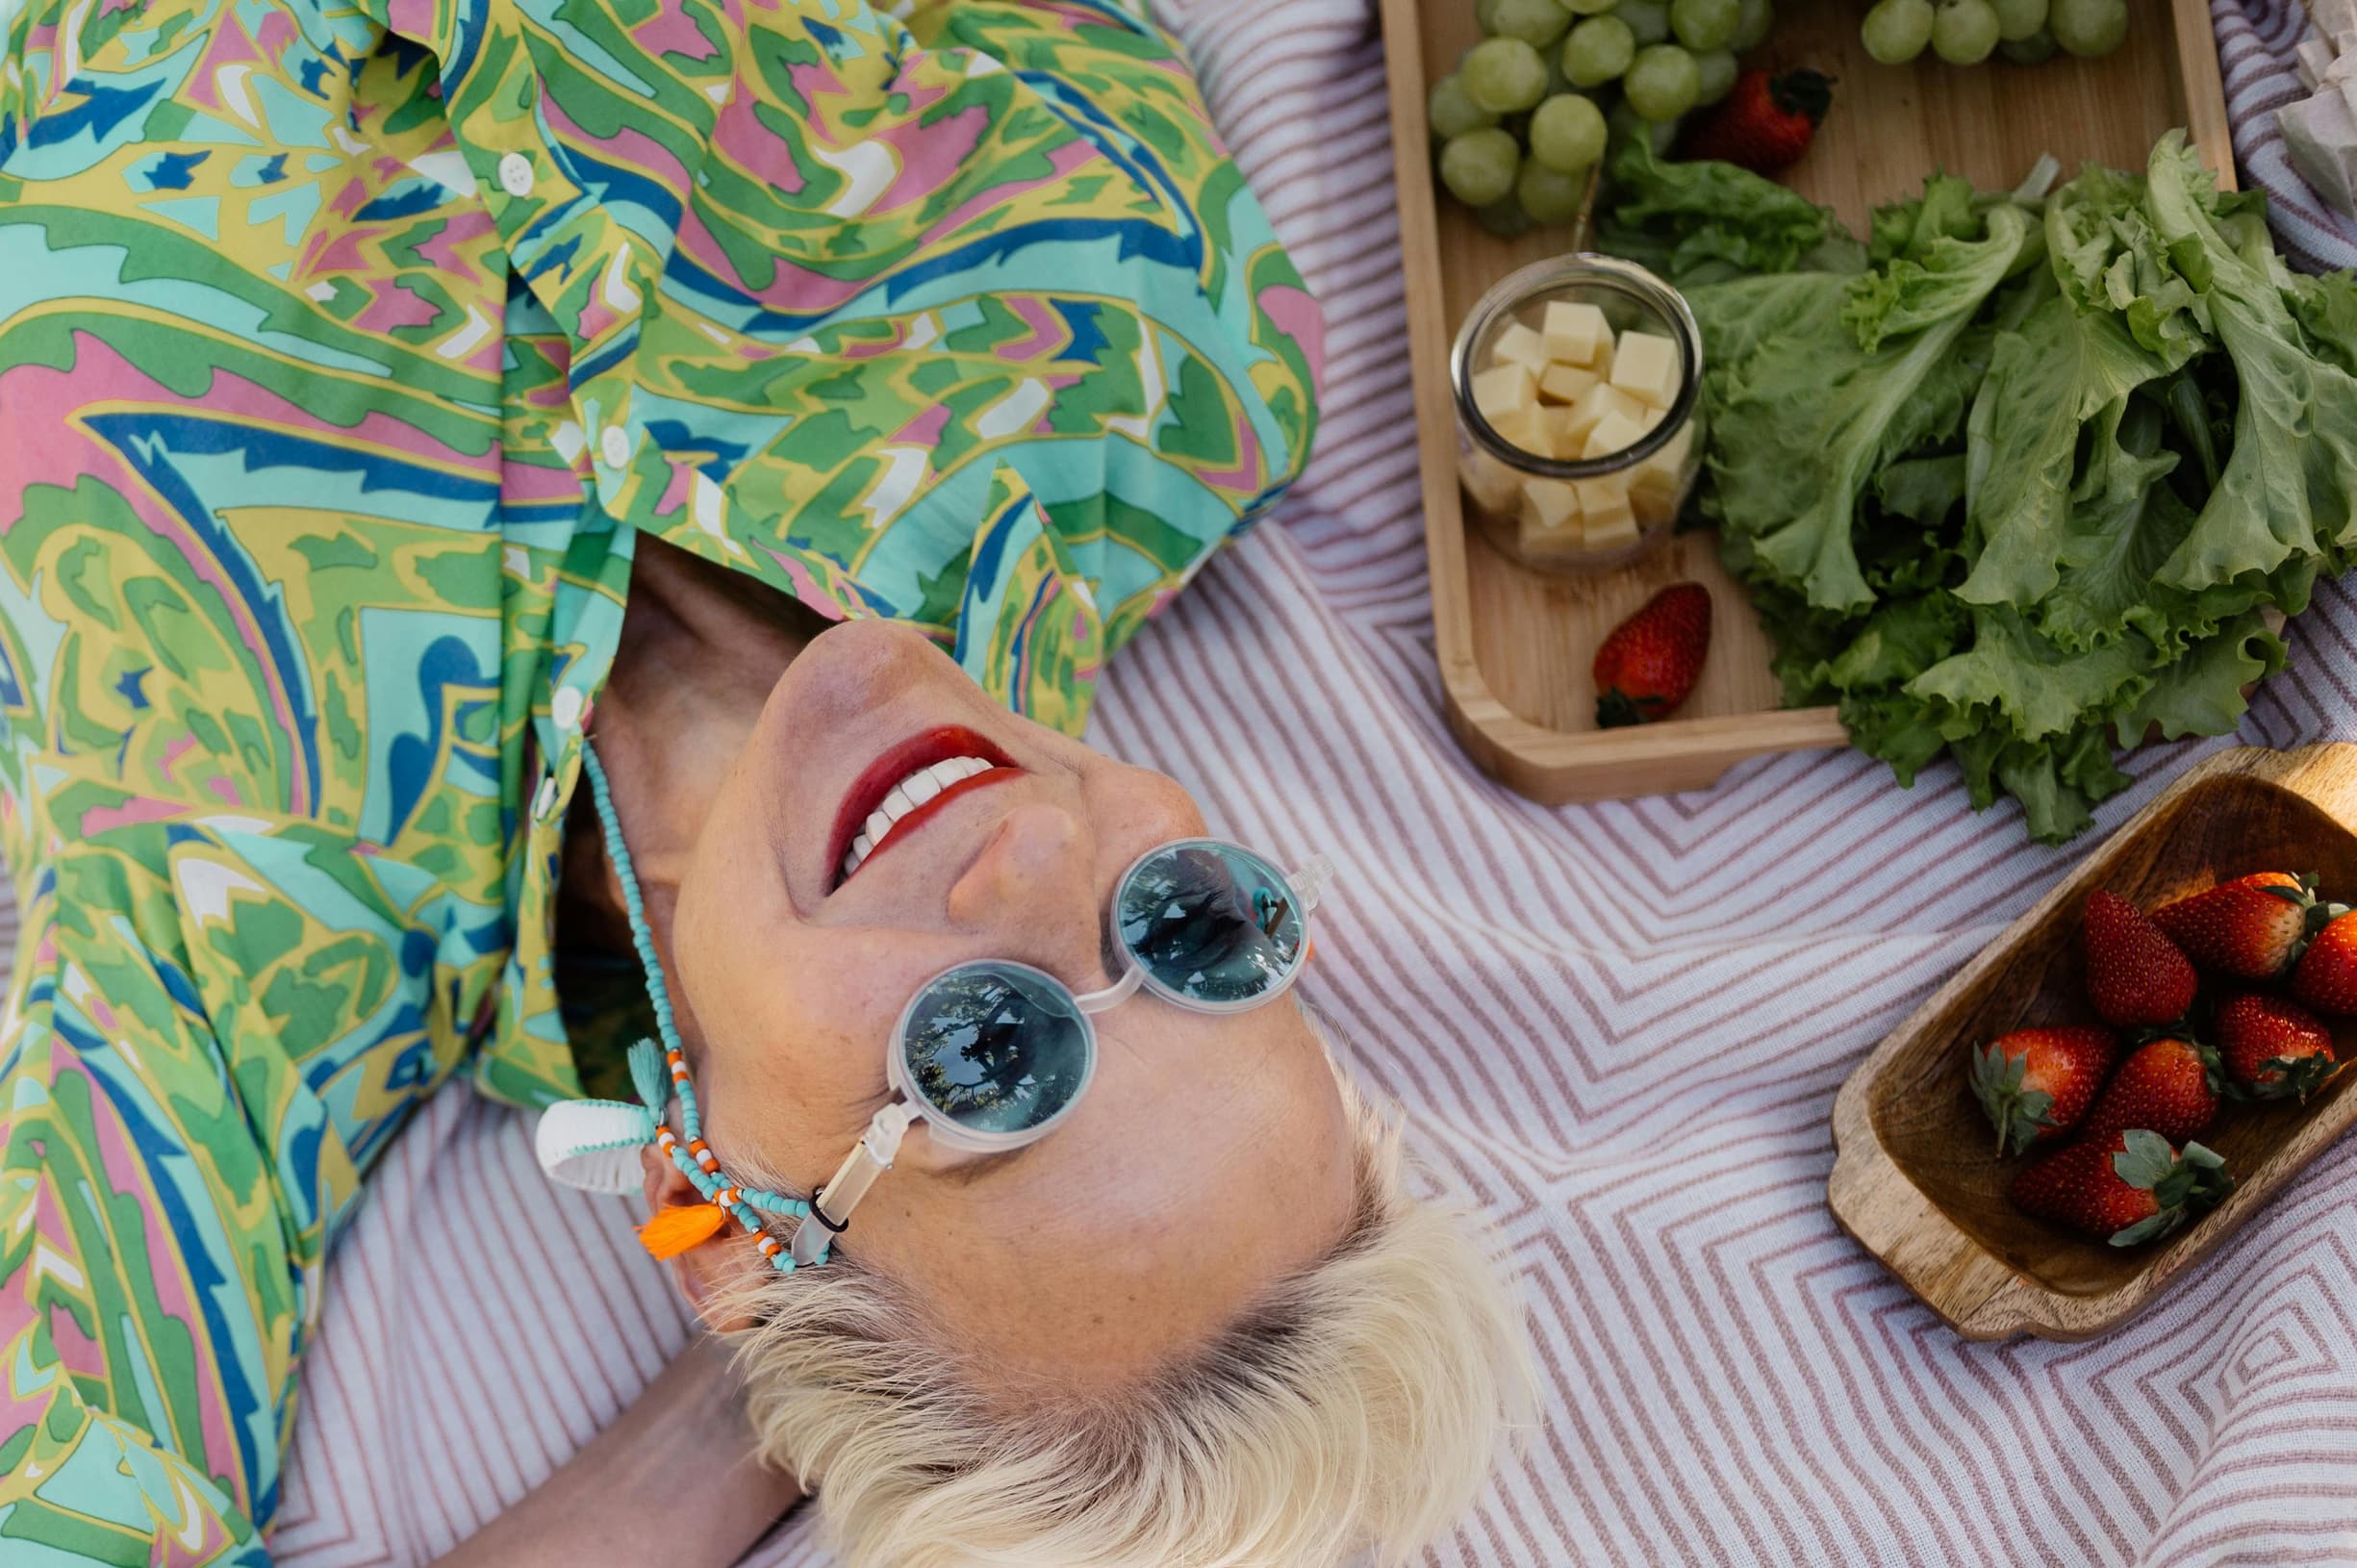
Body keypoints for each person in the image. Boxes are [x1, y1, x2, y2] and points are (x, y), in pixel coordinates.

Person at [0, 0, 1533, 1562]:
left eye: (982, 1057)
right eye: (1193, 931)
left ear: (722, 1213)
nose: (1027, 853)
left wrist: (763, 1367)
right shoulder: (1152, 350)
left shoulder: (249, 932)